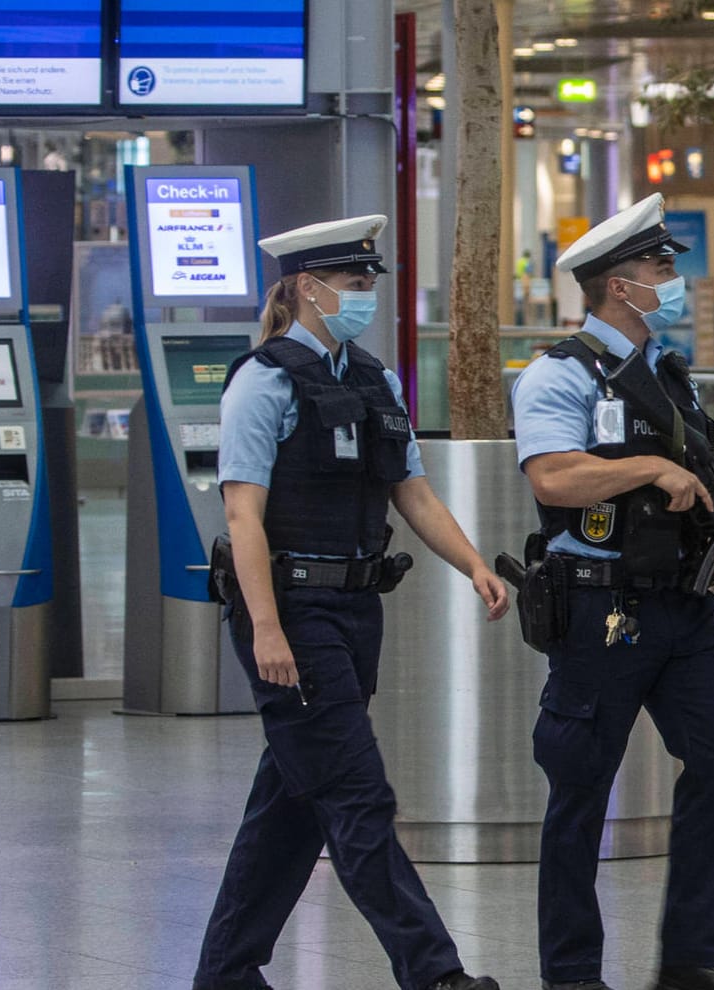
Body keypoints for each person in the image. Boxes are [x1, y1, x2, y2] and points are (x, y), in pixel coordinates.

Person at [194, 214, 510, 990]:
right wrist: (267, 630)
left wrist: (473, 563)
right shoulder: (263, 382)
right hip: (293, 616)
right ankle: (434, 972)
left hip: (354, 614)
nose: (367, 293)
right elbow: (243, 519)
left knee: (294, 800)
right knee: (357, 798)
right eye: (354, 282)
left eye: (370, 281)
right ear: (308, 288)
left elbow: (413, 491)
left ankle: (226, 973)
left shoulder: (374, 380)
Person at [510, 192, 714, 990]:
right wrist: (650, 468)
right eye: (658, 266)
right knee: (580, 790)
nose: (669, 277)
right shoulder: (557, 373)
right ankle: (573, 972)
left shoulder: (669, 375)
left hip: (684, 609)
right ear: (618, 284)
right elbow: (553, 478)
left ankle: (694, 960)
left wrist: (711, 544)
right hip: (599, 608)